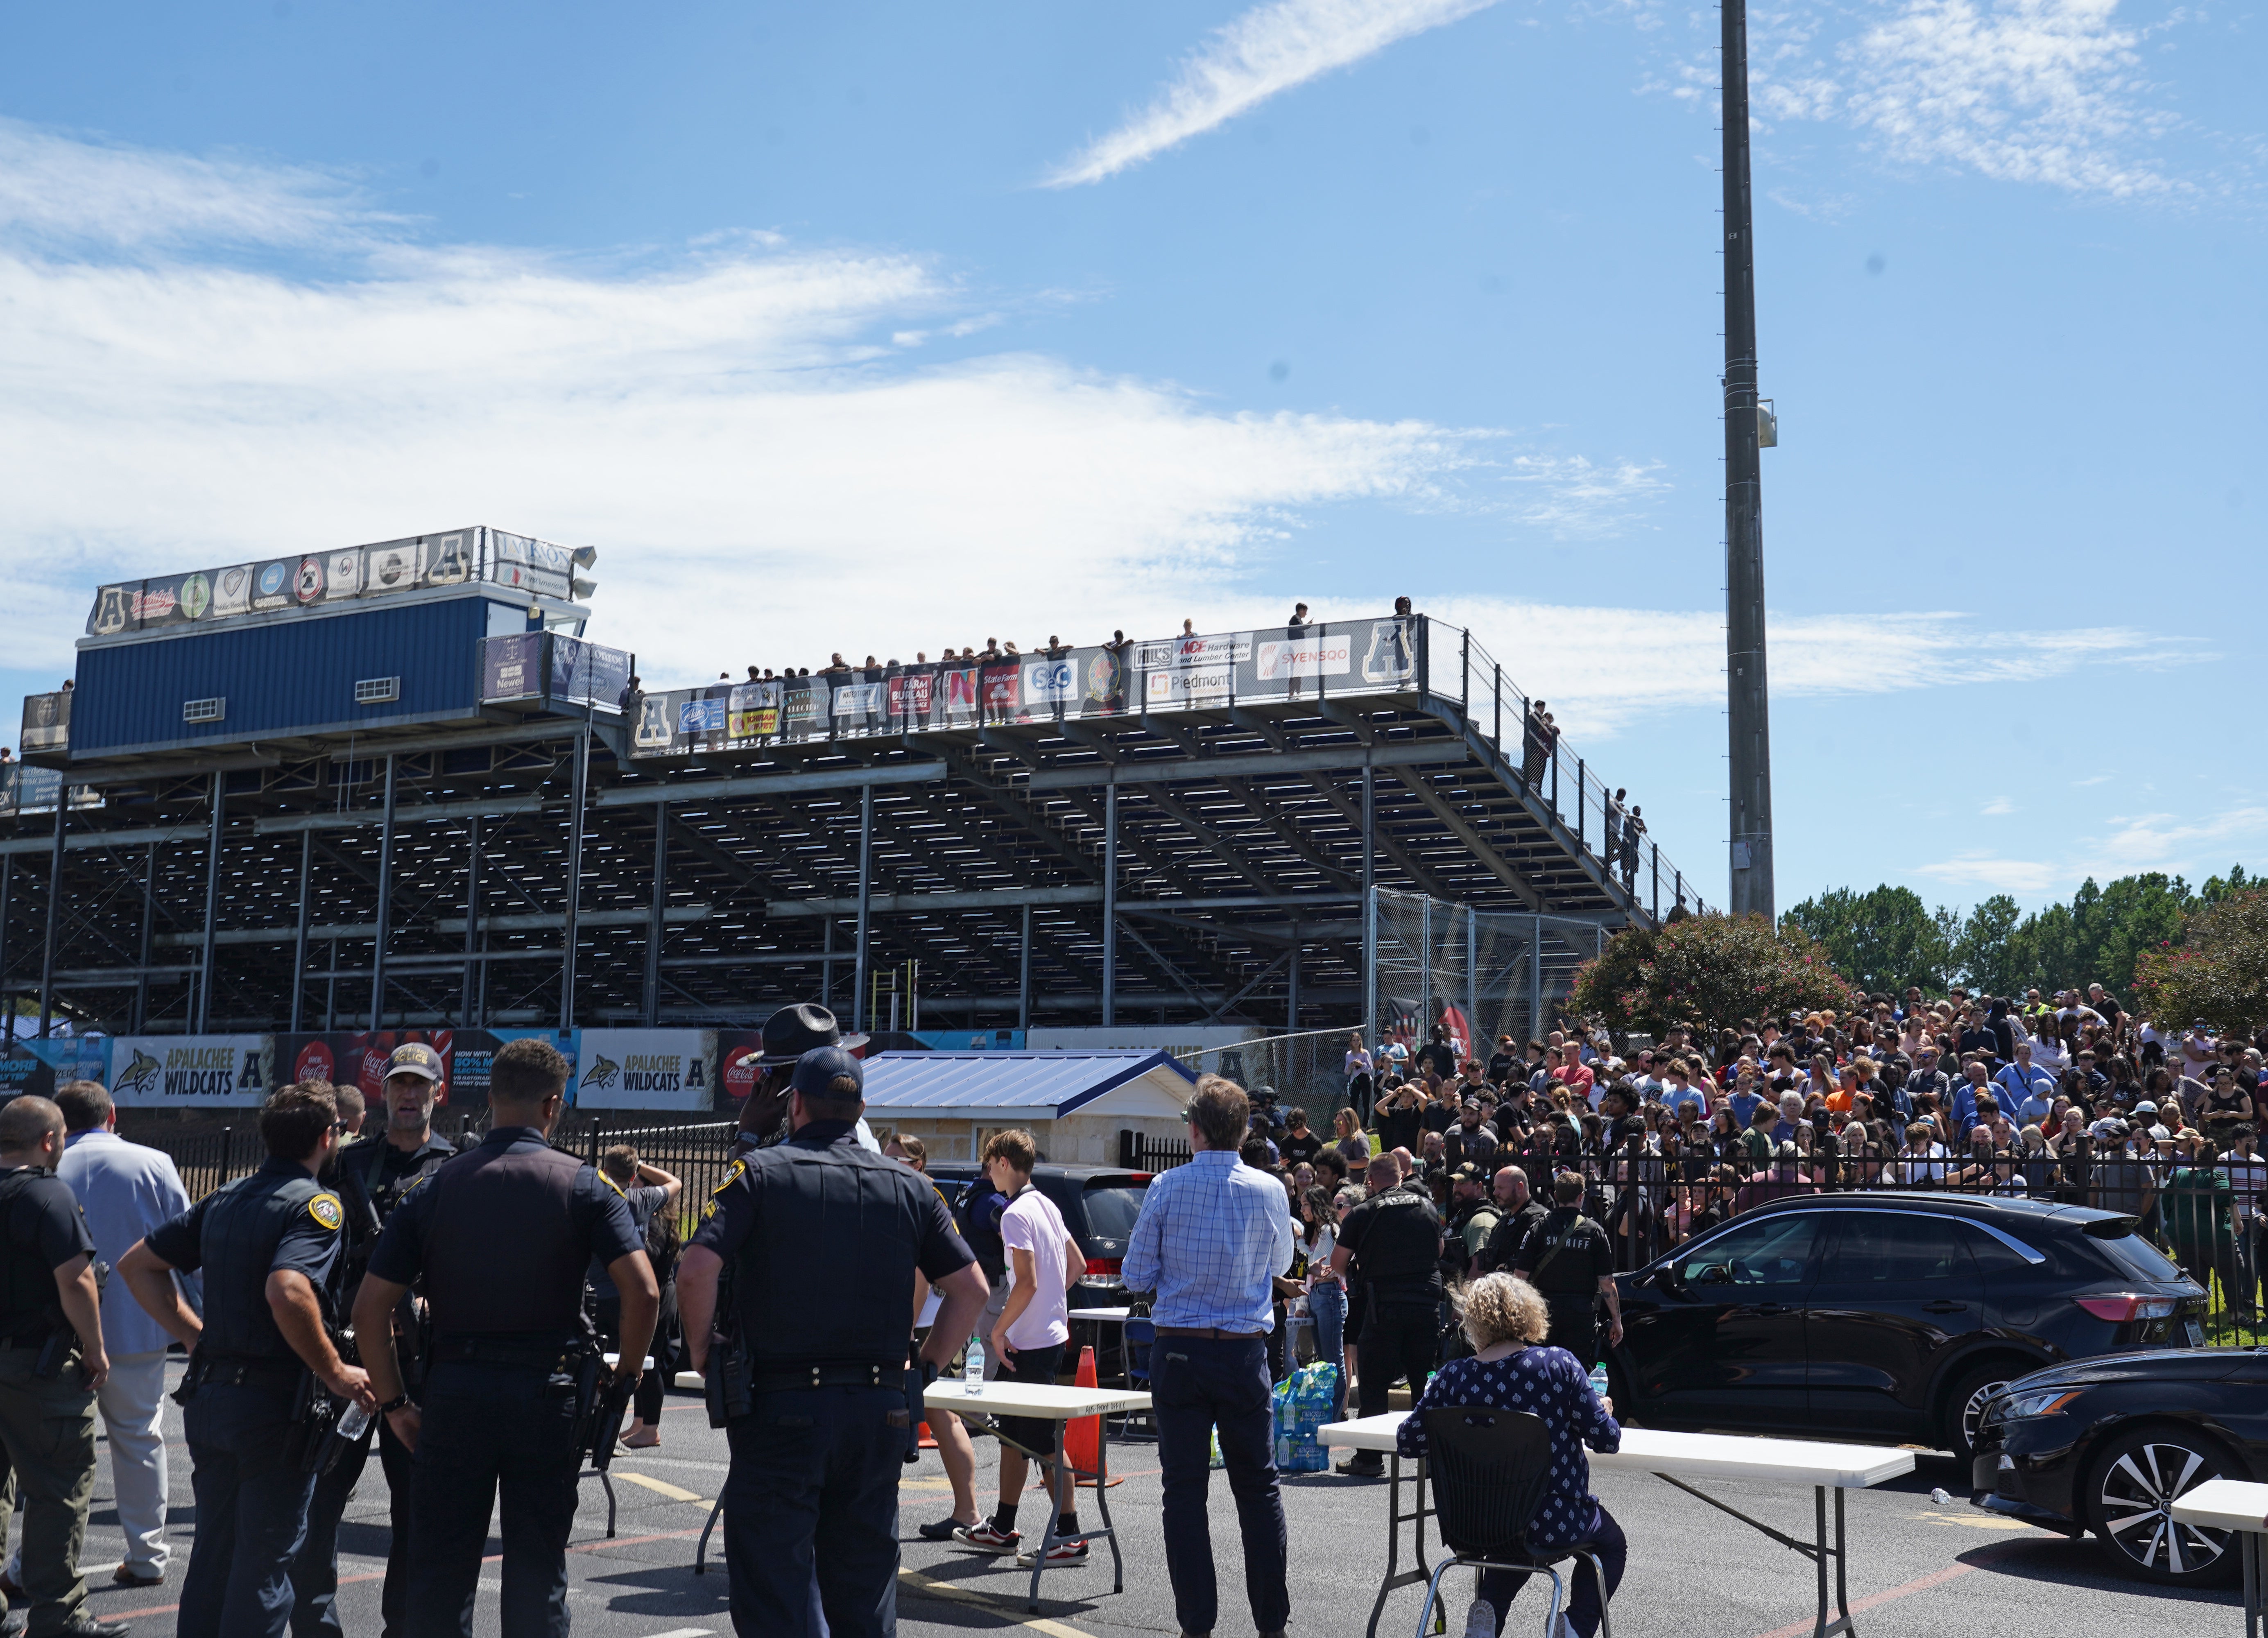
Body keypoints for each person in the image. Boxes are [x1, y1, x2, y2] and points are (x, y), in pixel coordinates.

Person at [349, 1038, 655, 1638]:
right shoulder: (586, 1185)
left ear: (489, 1099)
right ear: (553, 1106)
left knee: (440, 1574)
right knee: (538, 1575)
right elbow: (643, 1293)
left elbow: (369, 1309)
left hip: (455, 1391)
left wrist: (394, 1404)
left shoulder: (436, 1187)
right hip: (548, 1394)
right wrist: (626, 1380)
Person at [677, 1047, 986, 1638]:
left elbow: (695, 1270)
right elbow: (970, 1289)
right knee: (865, 1590)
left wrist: (701, 1351)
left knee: (776, 1589)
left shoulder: (762, 1175)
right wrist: (922, 1371)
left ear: (794, 1105)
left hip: (782, 1408)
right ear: (862, 1110)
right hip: (878, 1411)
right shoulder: (910, 1186)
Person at [119, 1083, 368, 1638]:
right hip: (274, 1405)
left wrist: (192, 1335)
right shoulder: (317, 1206)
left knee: (214, 1556)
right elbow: (289, 1291)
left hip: (211, 1396)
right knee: (264, 1563)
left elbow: (138, 1265)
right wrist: (336, 1371)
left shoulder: (226, 1197)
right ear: (328, 1138)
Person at [292, 1044, 459, 1638]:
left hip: (417, 1365)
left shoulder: (457, 1166)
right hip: (343, 1359)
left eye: (418, 1085)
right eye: (397, 1086)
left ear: (438, 1092)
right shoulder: (347, 1163)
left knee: (415, 1511)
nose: (407, 1096)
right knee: (317, 1503)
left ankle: (404, 1629)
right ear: (383, 1094)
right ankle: (316, 1627)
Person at [1120, 1075, 1293, 1638]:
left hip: (1180, 1352)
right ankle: (1272, 1624)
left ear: (1193, 1130)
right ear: (1243, 1131)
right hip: (1243, 1352)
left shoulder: (1167, 1185)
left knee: (1185, 1492)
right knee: (1258, 1488)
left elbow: (1136, 1274)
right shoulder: (1269, 1189)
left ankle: (1197, 1624)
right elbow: (1279, 1264)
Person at [1396, 1275, 1624, 1638]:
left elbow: (1408, 1442)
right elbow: (1607, 1439)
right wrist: (1605, 1410)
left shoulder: (1452, 1376)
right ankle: (1577, 1626)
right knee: (1612, 1543)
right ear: (1529, 1315)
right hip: (1551, 1520)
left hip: (1471, 1523)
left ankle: (1489, 1609)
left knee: (1509, 1530)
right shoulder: (1558, 1367)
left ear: (1473, 1321)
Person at [40, 1080, 188, 1595]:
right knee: (140, 1440)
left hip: (59, 1335)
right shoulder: (155, 1162)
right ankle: (148, 1554)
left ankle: (35, 1563)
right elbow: (186, 1244)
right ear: (113, 1114)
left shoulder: (48, 1167)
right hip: (139, 1325)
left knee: (56, 1455)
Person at [0, 1096, 121, 1638]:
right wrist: (95, 1349)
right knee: (59, 1487)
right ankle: (59, 1616)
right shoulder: (48, 1194)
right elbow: (76, 1280)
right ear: (50, 1141)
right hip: (37, 1366)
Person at [950, 1131, 1088, 1560]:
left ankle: (1070, 1535)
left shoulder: (1014, 1213)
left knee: (1043, 1440)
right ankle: (1004, 1526)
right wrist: (1048, 1304)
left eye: (990, 1163)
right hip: (1043, 1336)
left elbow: (1025, 1281)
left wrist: (999, 1329)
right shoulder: (1045, 1203)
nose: (987, 1171)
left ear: (1005, 1163)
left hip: (1030, 1343)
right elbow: (1076, 1264)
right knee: (1013, 1434)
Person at [1332, 1153, 1444, 1478]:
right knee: (1424, 1383)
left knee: (1374, 1384)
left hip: (1384, 1308)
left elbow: (1339, 1264)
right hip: (1425, 1306)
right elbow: (1438, 1252)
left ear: (1369, 1180)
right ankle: (1430, 1460)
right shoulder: (1427, 1207)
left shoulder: (1364, 1212)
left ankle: (1369, 1459)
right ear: (1400, 1175)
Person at [589, 1146, 681, 1452]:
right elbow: (675, 1183)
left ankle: (594, 1429)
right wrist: (641, 1166)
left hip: (600, 1295)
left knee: (597, 1366)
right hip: (631, 1294)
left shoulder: (597, 1197)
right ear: (632, 1176)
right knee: (632, 1368)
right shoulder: (642, 1199)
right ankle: (610, 1431)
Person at [1512, 1172, 1621, 1371]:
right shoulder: (1594, 1231)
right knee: (1575, 1371)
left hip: (1543, 1312)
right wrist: (1617, 1320)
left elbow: (1520, 1279)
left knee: (1540, 1370)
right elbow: (1606, 1282)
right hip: (1580, 1315)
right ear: (1581, 1197)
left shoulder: (1539, 1228)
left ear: (1555, 1195)